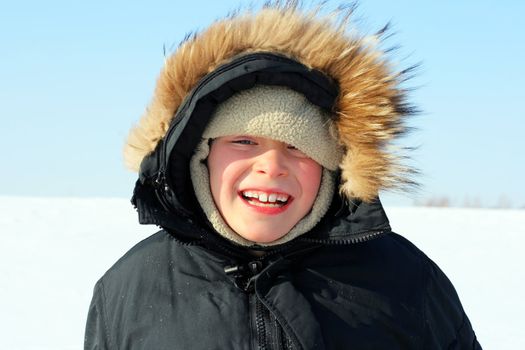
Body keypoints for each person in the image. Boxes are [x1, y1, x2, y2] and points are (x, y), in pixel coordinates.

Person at [85, 3, 482, 349]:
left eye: (299, 148)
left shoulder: (406, 280)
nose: (271, 167)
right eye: (244, 141)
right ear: (200, 155)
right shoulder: (129, 288)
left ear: (334, 168)